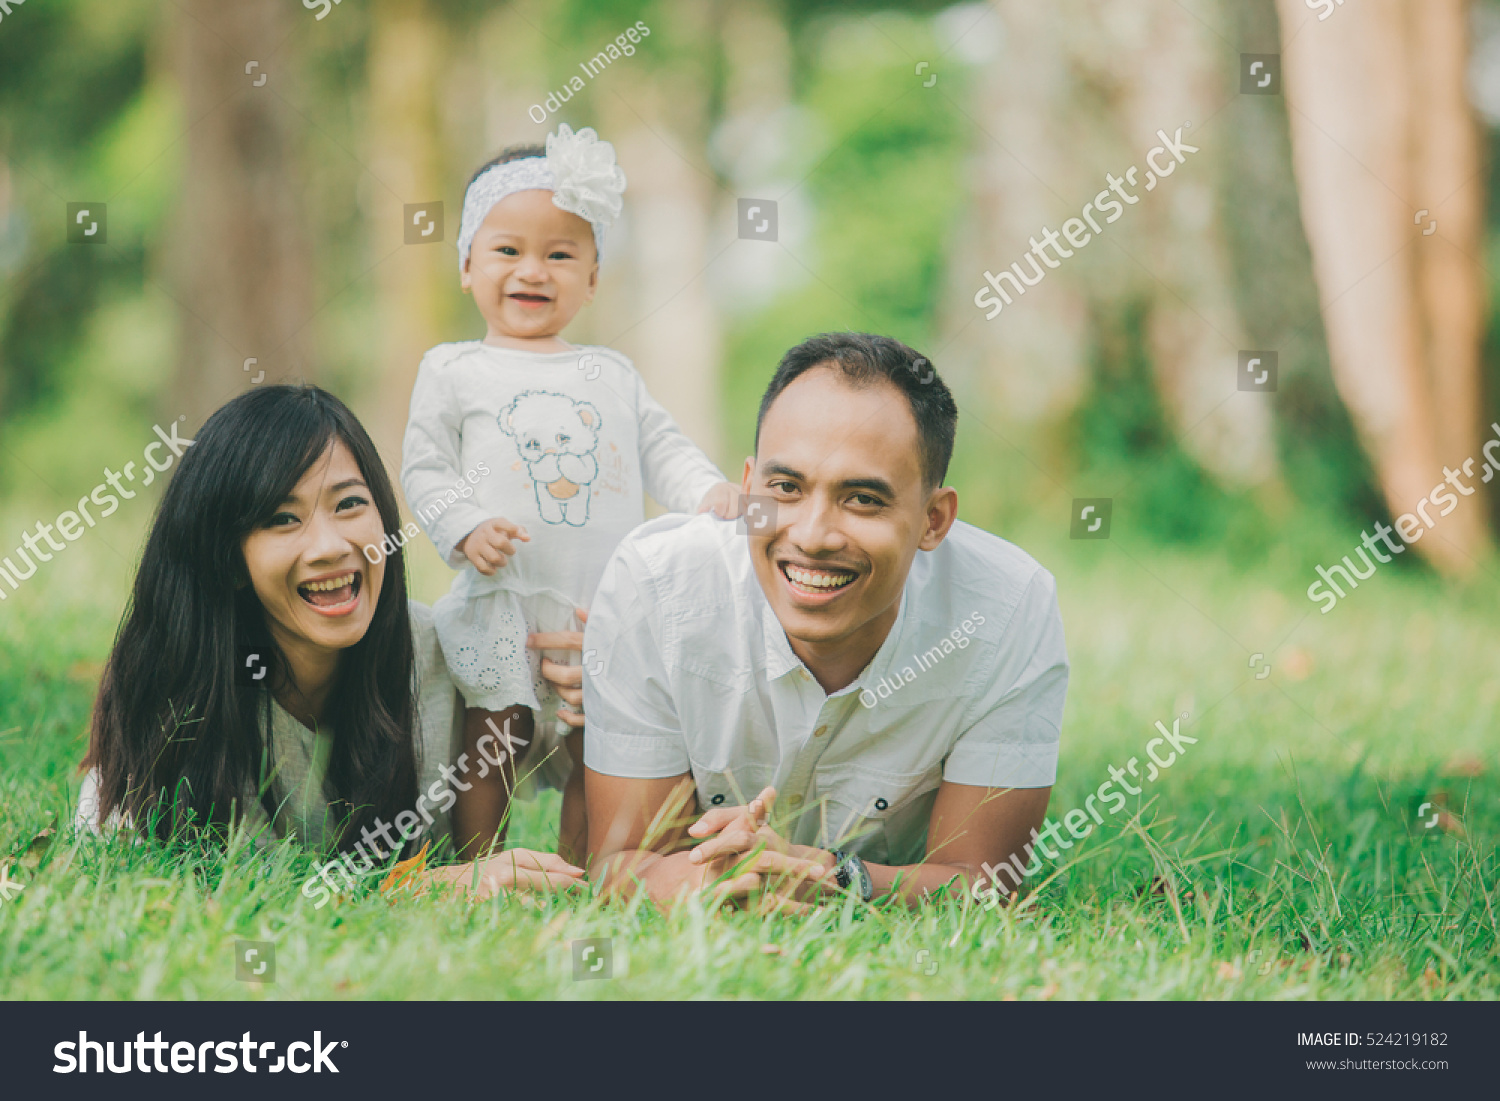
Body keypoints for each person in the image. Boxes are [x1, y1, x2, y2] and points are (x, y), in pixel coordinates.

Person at [580, 333, 1069, 911]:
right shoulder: (655, 586)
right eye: (785, 488)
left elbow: (985, 882)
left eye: (862, 499)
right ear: (748, 487)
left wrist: (834, 878)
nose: (811, 536)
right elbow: (620, 863)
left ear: (934, 520)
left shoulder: (1009, 609)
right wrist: (713, 882)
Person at [78, 385, 581, 898]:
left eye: (349, 504)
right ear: (228, 558)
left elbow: (567, 756)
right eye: (282, 519)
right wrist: (432, 886)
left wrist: (597, 693)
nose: (329, 547)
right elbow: (131, 872)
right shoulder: (185, 684)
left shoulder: (451, 651)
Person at [400, 123, 738, 864]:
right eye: (508, 250)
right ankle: (480, 863)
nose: (534, 270)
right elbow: (422, 467)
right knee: (495, 731)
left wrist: (708, 492)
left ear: (591, 279)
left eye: (560, 254)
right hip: (503, 598)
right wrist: (463, 526)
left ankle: (587, 868)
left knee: (600, 742)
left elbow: (663, 450)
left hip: (601, 610)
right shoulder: (454, 368)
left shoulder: (610, 373)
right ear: (465, 264)